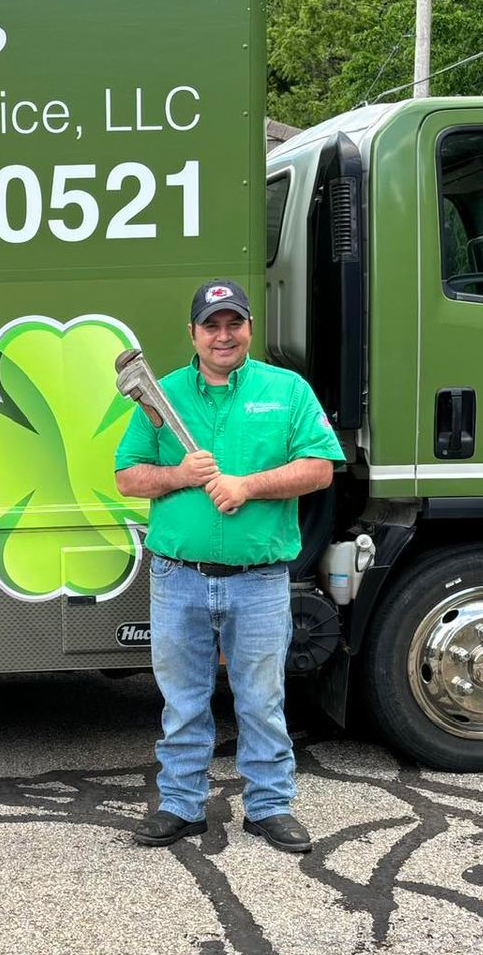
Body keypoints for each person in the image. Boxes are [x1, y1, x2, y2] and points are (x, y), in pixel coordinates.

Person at [112, 279, 342, 852]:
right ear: (193, 333)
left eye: (233, 323)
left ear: (248, 329)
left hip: (258, 580)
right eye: (211, 325)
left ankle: (268, 807)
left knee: (261, 698)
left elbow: (319, 469)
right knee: (183, 698)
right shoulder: (160, 398)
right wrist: (180, 477)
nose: (223, 335)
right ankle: (182, 806)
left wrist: (247, 485)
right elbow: (127, 475)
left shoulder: (285, 391)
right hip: (178, 577)